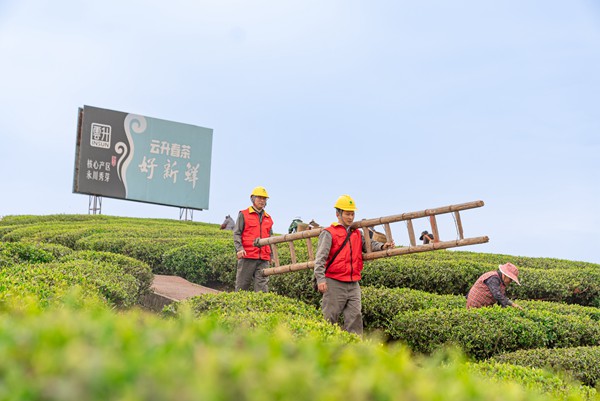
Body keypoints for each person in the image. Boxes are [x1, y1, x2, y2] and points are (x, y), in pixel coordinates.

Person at [313, 194, 395, 335]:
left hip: (353, 283)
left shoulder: (356, 233)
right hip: (334, 282)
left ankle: (355, 350)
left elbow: (369, 244)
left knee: (355, 317)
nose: (350, 217)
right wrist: (320, 279)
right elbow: (320, 258)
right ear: (338, 214)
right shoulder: (328, 233)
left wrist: (383, 246)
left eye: (352, 214)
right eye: (347, 214)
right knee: (330, 317)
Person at [233, 186, 273, 292]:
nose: (262, 201)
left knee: (262, 289)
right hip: (247, 256)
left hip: (263, 259)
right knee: (242, 287)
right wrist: (239, 249)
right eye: (259, 198)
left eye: (264, 199)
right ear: (253, 199)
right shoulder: (244, 214)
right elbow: (237, 233)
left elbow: (271, 239)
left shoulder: (268, 218)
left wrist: (271, 256)